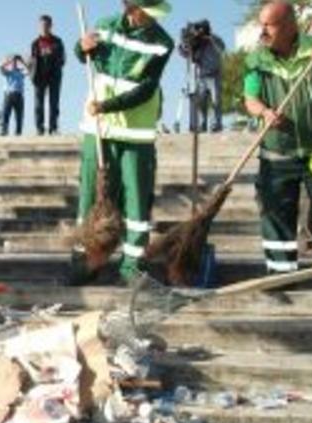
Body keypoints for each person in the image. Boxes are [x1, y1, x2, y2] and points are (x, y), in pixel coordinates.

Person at [71, 0, 174, 284]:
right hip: (98, 130)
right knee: (90, 198)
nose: (153, 19)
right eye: (147, 12)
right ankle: (84, 264)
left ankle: (131, 268)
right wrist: (82, 48)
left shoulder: (163, 42)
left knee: (136, 204)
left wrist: (107, 106)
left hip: (135, 134)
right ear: (130, 8)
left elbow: (146, 88)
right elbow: (87, 57)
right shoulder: (105, 26)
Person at [243, 0, 312, 275]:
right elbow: (250, 98)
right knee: (276, 213)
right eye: (261, 24)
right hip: (277, 153)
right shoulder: (256, 60)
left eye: (269, 24)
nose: (263, 30)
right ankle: (281, 275)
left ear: (290, 25)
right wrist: (265, 113)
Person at [185, 23, 226, 133]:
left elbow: (221, 49)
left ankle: (216, 125)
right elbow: (185, 53)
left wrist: (210, 38)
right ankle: (202, 125)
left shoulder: (215, 39)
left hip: (214, 75)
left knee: (215, 101)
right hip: (200, 76)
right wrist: (189, 41)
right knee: (201, 103)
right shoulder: (197, 41)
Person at [30, 15, 66, 135]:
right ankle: (39, 128)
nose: (44, 27)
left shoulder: (58, 41)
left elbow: (63, 58)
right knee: (38, 104)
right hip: (39, 76)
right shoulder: (35, 43)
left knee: (54, 103)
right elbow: (32, 60)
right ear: (39, 26)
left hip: (54, 76)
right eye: (42, 25)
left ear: (51, 26)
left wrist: (57, 64)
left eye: (46, 25)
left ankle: (53, 128)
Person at [0, 55, 27, 136]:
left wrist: (23, 62)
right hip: (9, 94)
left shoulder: (21, 72)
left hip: (19, 94)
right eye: (14, 61)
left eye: (16, 61)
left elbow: (30, 69)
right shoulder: (8, 71)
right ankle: (4, 131)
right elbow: (0, 67)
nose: (15, 63)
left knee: (19, 115)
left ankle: (18, 133)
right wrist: (8, 61)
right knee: (5, 114)